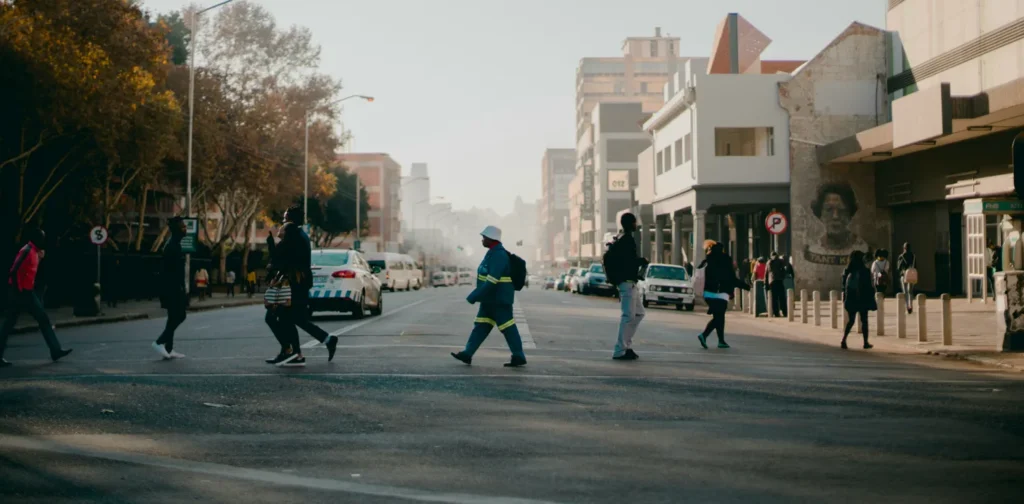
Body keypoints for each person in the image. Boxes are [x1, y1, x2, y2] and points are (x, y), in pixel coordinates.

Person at [264, 206, 338, 367]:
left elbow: (280, 258)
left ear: (290, 219)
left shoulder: (292, 233)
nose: (283, 221)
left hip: (293, 284)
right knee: (293, 318)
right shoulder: (300, 235)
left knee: (278, 317)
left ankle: (293, 353)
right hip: (299, 283)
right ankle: (298, 351)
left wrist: (271, 244)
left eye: (285, 217)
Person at [451, 225, 527, 367]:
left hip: (498, 299)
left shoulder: (499, 255)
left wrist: (475, 295)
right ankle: (467, 353)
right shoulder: (492, 252)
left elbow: (492, 279)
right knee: (481, 326)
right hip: (490, 299)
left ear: (491, 239)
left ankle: (518, 355)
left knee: (507, 327)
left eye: (484, 237)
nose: (482, 240)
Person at [0, 228, 73, 367]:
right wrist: (17, 290)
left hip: (27, 292)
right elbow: (14, 270)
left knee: (42, 320)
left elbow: (29, 270)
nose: (43, 240)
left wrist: (39, 258)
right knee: (8, 325)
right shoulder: (26, 250)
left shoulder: (34, 252)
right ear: (35, 239)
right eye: (41, 238)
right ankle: (55, 350)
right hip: (20, 293)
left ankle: (55, 350)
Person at [604, 213, 648, 361]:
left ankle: (626, 346)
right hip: (626, 282)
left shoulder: (622, 238)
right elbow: (628, 262)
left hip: (630, 282)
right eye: (635, 222)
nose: (636, 224)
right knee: (628, 316)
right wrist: (641, 260)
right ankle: (620, 350)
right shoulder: (627, 240)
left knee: (639, 313)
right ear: (630, 223)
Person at [153, 217, 189, 359]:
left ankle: (168, 349)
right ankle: (159, 342)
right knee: (181, 315)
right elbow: (171, 272)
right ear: (177, 230)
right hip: (172, 288)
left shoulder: (174, 243)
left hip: (172, 287)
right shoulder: (172, 246)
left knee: (173, 317)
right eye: (183, 227)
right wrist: (180, 289)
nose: (185, 229)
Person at [697, 242, 742, 350]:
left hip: (708, 294)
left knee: (719, 316)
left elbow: (698, 274)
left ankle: (720, 340)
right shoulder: (724, 261)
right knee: (719, 316)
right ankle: (705, 335)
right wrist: (731, 292)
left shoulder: (706, 261)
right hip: (720, 293)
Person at [841, 250, 876, 350]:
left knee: (851, 321)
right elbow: (869, 287)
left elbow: (843, 286)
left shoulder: (847, 270)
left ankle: (844, 340)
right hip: (862, 299)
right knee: (864, 321)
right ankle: (865, 342)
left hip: (851, 299)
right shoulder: (864, 271)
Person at [896, 242, 916, 314]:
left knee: (905, 292)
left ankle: (907, 306)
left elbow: (898, 267)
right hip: (911, 274)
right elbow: (915, 266)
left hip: (904, 275)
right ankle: (911, 306)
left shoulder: (901, 256)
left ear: (904, 248)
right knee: (910, 291)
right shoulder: (913, 256)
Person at [767, 252, 788, 318]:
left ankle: (776, 313)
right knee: (782, 298)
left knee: (774, 298)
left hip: (772, 282)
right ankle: (785, 312)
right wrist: (782, 277)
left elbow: (766, 273)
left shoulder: (769, 262)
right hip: (779, 281)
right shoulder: (780, 261)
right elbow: (784, 271)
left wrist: (766, 283)